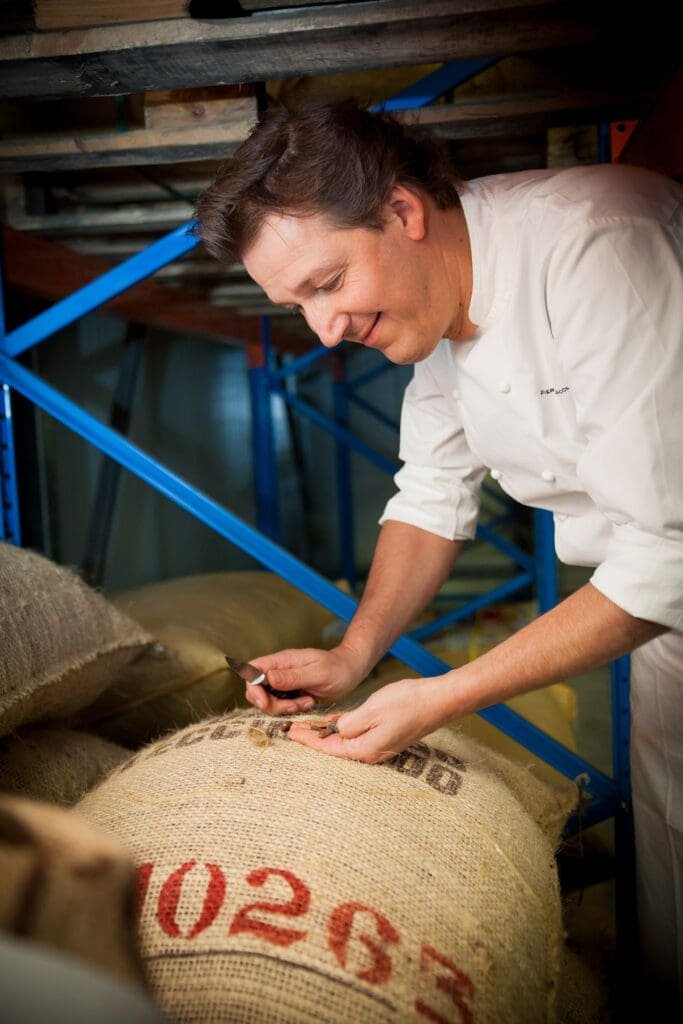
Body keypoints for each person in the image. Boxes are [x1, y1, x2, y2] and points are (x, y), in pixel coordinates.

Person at [196, 101, 683, 1001]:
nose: (325, 327)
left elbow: (671, 552)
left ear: (402, 212)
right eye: (296, 304)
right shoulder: (441, 318)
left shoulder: (595, 243)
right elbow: (429, 498)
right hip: (661, 624)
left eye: (326, 282)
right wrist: (353, 653)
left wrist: (445, 697)